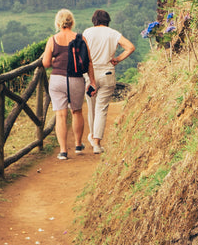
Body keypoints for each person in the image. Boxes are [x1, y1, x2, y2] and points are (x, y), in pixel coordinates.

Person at [42, 9, 96, 161]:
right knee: (76, 112)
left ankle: (63, 151)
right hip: (76, 79)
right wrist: (92, 81)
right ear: (72, 23)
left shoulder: (53, 40)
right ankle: (78, 145)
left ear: (58, 23)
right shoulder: (80, 38)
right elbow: (89, 61)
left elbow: (46, 63)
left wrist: (55, 61)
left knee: (60, 115)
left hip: (57, 79)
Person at [81, 9, 135, 154]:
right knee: (101, 109)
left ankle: (92, 137)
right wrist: (117, 59)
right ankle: (97, 144)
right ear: (107, 20)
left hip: (89, 74)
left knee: (91, 108)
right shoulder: (113, 33)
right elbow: (130, 47)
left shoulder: (87, 32)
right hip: (107, 73)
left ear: (94, 20)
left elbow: (82, 53)